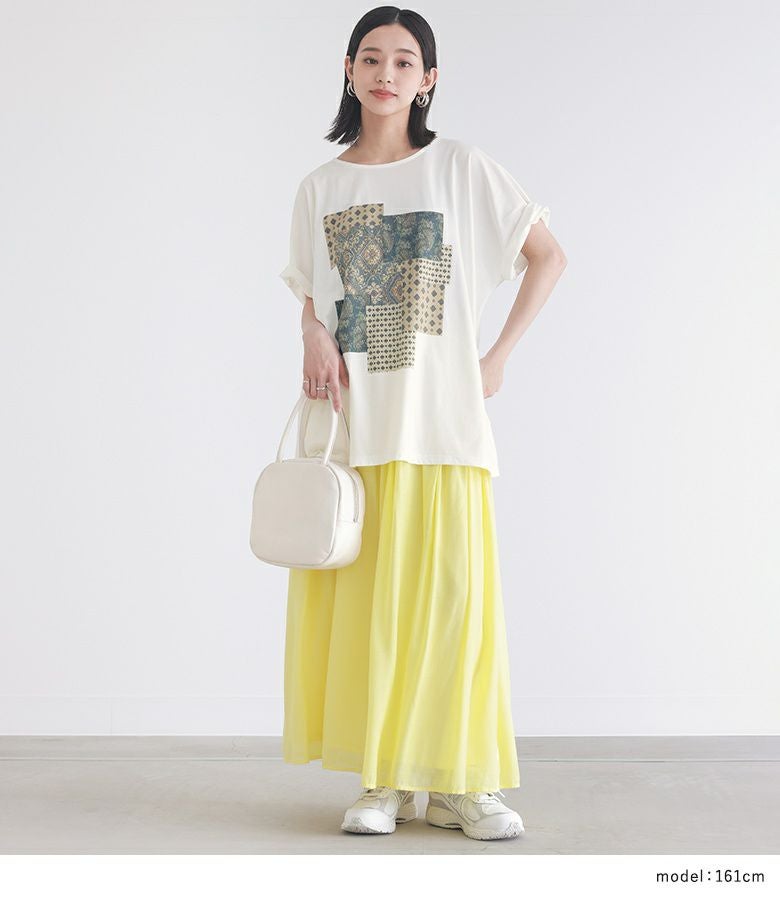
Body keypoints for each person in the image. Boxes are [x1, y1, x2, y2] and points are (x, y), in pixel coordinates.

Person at [278, 7, 567, 842]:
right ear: (348, 70)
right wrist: (310, 333)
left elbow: (547, 256)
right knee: (371, 612)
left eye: (405, 61)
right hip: (355, 426)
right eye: (371, 58)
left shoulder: (462, 169)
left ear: (428, 80)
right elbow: (313, 293)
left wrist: (498, 356)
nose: (387, 73)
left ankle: (464, 785)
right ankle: (385, 781)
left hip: (441, 420)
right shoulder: (321, 187)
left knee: (452, 607)